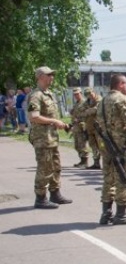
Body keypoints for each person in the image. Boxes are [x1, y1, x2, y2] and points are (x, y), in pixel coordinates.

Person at [96, 74, 126, 224]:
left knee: (108, 178)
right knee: (124, 177)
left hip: (107, 145)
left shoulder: (103, 100)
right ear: (119, 85)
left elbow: (102, 123)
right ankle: (121, 214)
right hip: (121, 145)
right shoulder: (122, 99)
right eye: (125, 83)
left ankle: (106, 213)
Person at [27, 66, 72, 209]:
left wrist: (61, 124)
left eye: (52, 75)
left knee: (56, 167)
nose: (52, 77)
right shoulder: (36, 95)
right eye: (48, 75)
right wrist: (54, 121)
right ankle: (40, 198)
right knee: (44, 168)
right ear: (40, 77)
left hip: (51, 137)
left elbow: (50, 115)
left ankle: (55, 193)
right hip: (42, 138)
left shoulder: (49, 94)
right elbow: (34, 117)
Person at [69, 88, 91, 168]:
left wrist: (80, 119)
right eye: (75, 94)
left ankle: (85, 162)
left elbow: (88, 113)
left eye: (77, 94)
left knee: (83, 145)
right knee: (77, 145)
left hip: (82, 126)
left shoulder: (85, 103)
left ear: (81, 93)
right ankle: (81, 161)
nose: (76, 96)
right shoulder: (76, 103)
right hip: (76, 127)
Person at [83, 88, 102, 169]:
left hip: (98, 127)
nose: (89, 95)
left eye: (90, 93)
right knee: (93, 145)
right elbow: (81, 112)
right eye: (87, 94)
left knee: (102, 145)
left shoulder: (99, 100)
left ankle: (107, 162)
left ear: (94, 92)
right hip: (90, 127)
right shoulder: (87, 102)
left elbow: (96, 109)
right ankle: (96, 162)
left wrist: (88, 111)